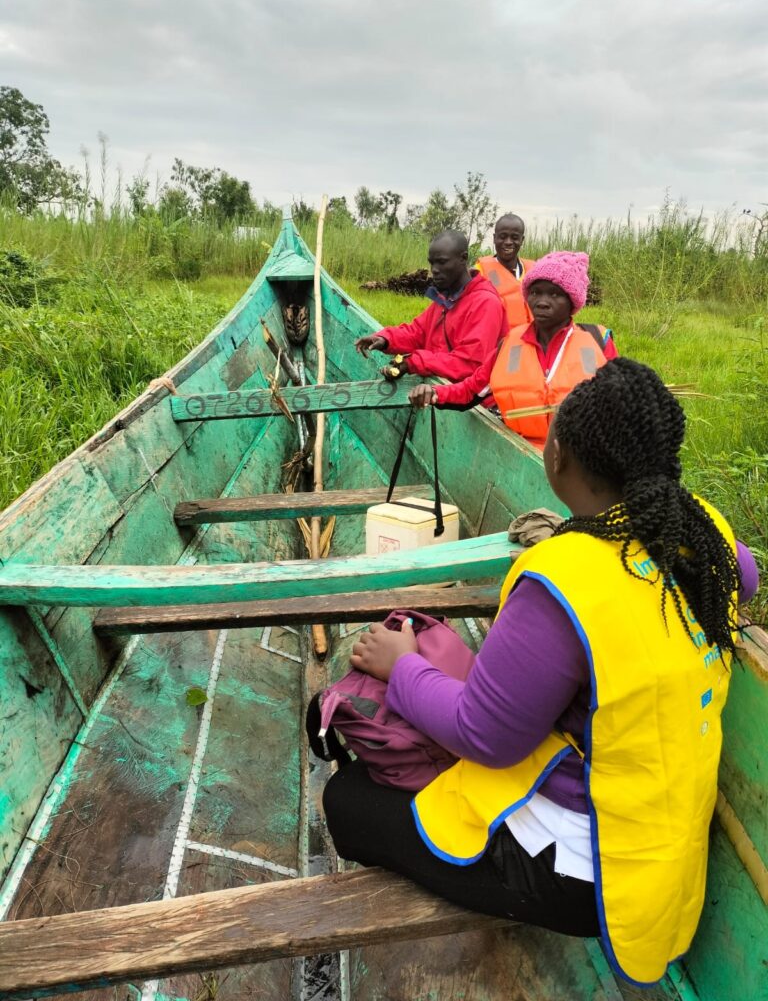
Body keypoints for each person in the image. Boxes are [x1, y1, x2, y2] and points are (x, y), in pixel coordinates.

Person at [322, 358, 759, 986]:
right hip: (663, 867)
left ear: (558, 459)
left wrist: (404, 666)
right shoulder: (705, 536)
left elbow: (484, 738)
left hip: (577, 873)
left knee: (347, 800)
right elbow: (746, 576)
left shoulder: (564, 578)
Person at [408, 251, 617, 450]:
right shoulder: (509, 344)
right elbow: (470, 390)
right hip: (522, 453)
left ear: (572, 301)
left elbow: (620, 410)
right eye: (535, 292)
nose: (542, 302)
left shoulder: (598, 342)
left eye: (555, 294)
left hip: (579, 464)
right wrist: (434, 393)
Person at [354, 230, 506, 383]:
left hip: (475, 401)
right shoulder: (446, 298)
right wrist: (385, 339)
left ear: (463, 258)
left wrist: (412, 363)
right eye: (432, 262)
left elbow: (468, 364)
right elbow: (417, 333)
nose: (434, 269)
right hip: (442, 390)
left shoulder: (486, 303)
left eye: (442, 262)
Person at [474, 213, 535, 328]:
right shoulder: (479, 271)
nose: (508, 242)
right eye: (502, 236)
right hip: (497, 340)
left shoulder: (534, 271)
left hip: (532, 339)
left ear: (522, 240)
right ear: (494, 238)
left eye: (515, 238)